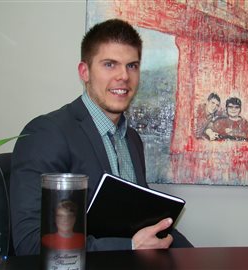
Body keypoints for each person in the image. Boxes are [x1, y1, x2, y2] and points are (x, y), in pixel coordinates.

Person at [10, 18, 192, 256]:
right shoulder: (46, 133)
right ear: (84, 72)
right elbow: (30, 244)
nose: (123, 76)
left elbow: (144, 222)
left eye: (132, 66)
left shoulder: (132, 139)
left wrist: (194, 256)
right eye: (109, 64)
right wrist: (130, 247)